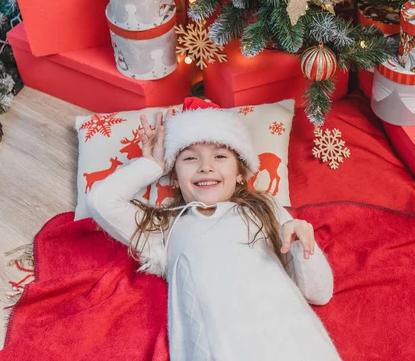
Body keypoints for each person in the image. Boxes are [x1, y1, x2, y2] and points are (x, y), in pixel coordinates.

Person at [86, 108, 341, 360]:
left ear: (240, 174)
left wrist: (303, 246)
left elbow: (319, 293)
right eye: (189, 158)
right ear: (173, 178)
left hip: (293, 340)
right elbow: (102, 201)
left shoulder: (264, 210)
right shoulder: (166, 229)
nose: (206, 167)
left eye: (220, 156)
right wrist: (151, 165)